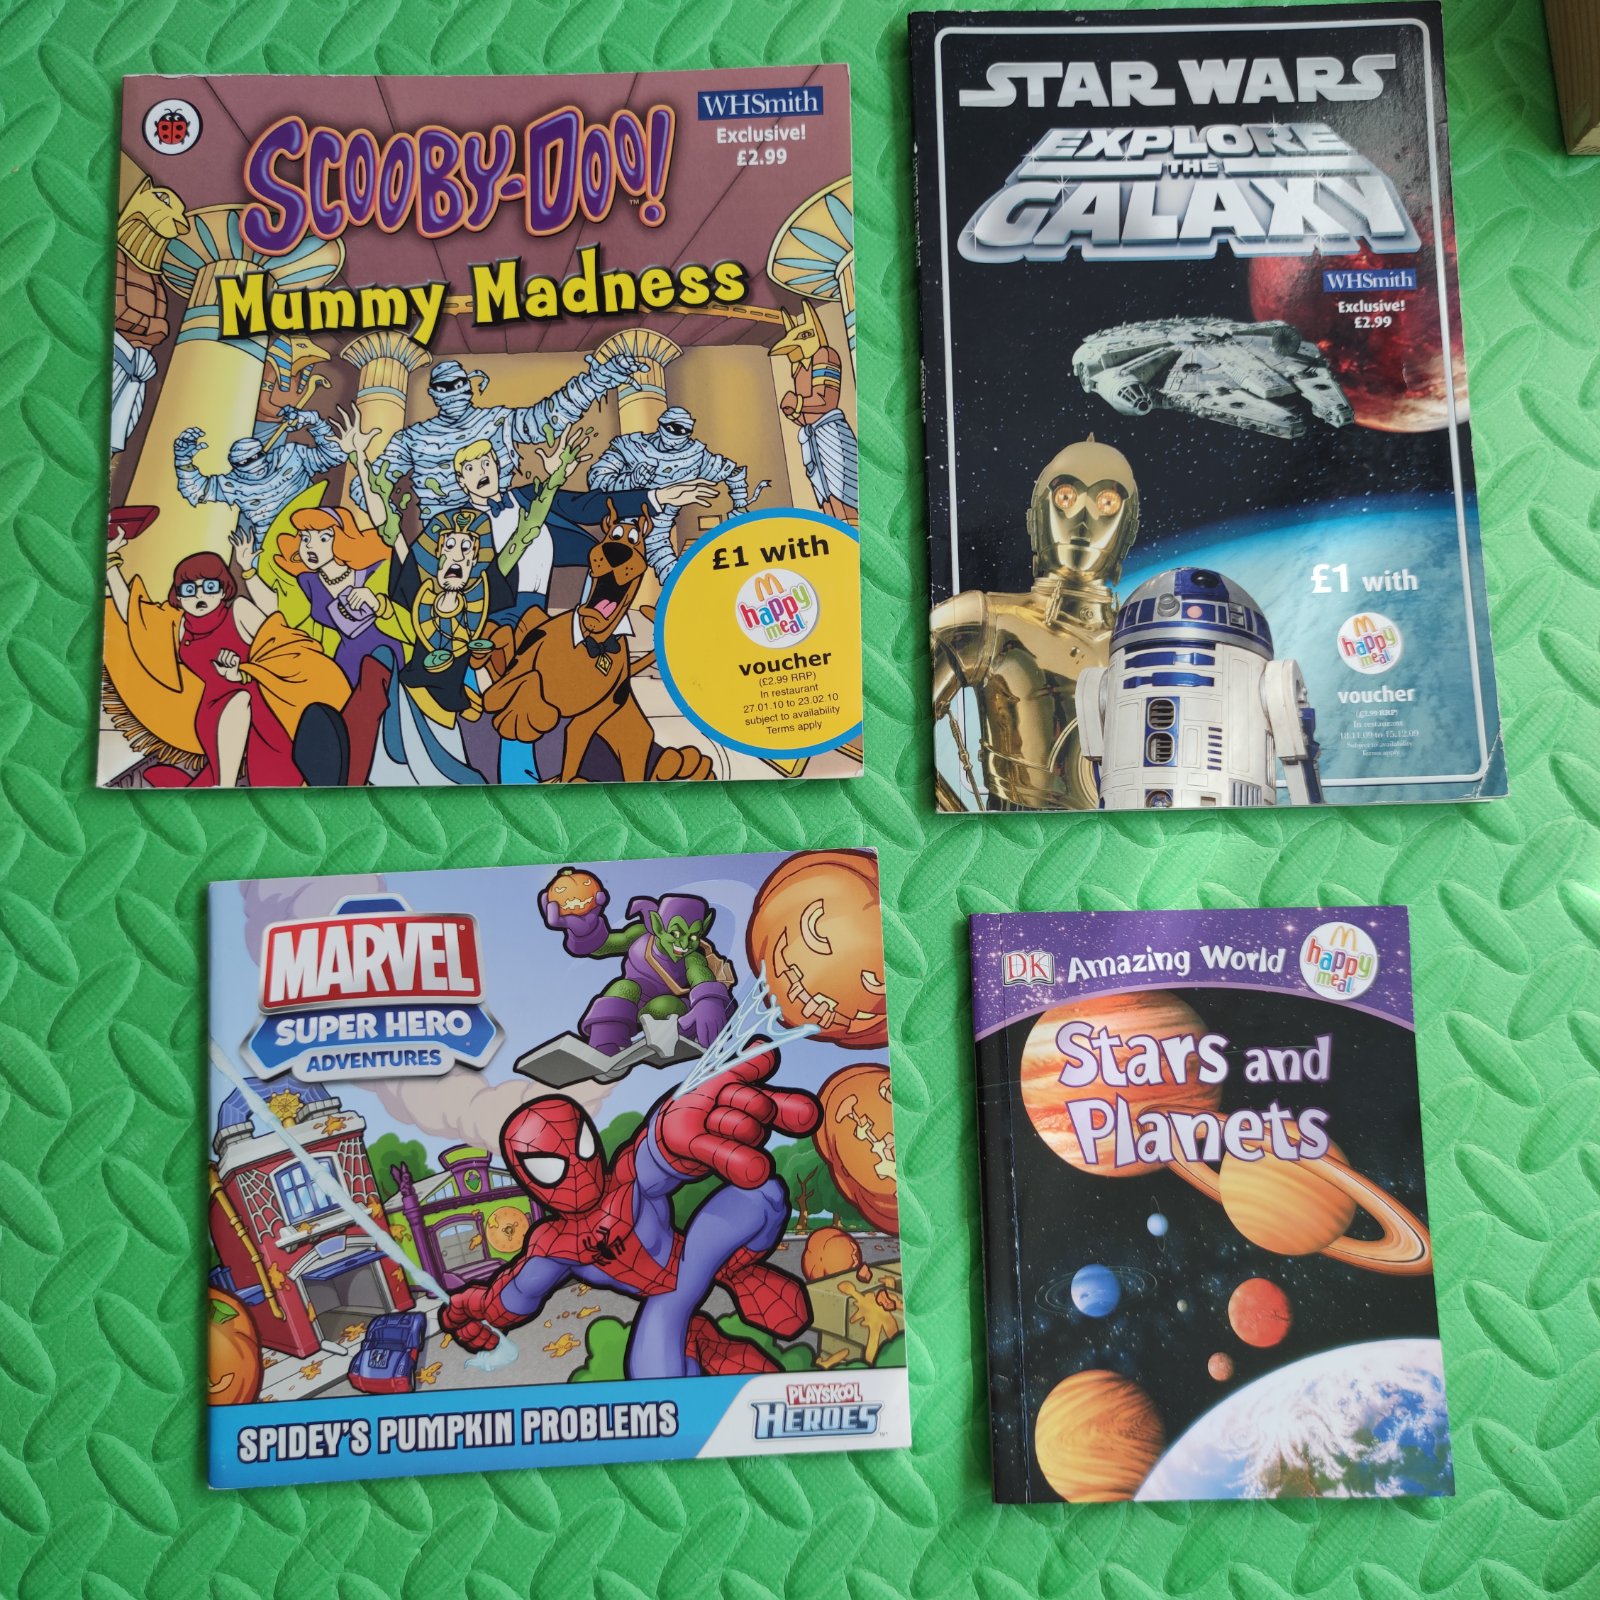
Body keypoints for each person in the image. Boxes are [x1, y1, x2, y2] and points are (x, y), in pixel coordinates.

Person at [102, 537, 348, 788]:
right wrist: (110, 561)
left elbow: (277, 638)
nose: (199, 595)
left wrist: (241, 673)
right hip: (213, 711)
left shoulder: (239, 611)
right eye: (189, 589)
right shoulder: (179, 626)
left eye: (209, 586)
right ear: (179, 597)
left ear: (223, 590)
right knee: (239, 701)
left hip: (264, 704)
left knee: (275, 771)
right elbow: (134, 612)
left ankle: (223, 784)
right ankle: (224, 786)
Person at [586, 407, 763, 578]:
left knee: (674, 577)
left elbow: (734, 473)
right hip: (620, 525)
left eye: (682, 430)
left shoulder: (696, 456)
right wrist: (631, 480)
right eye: (672, 427)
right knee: (603, 574)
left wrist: (739, 509)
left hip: (658, 533)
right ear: (661, 424)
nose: (676, 433)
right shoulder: (631, 447)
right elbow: (597, 480)